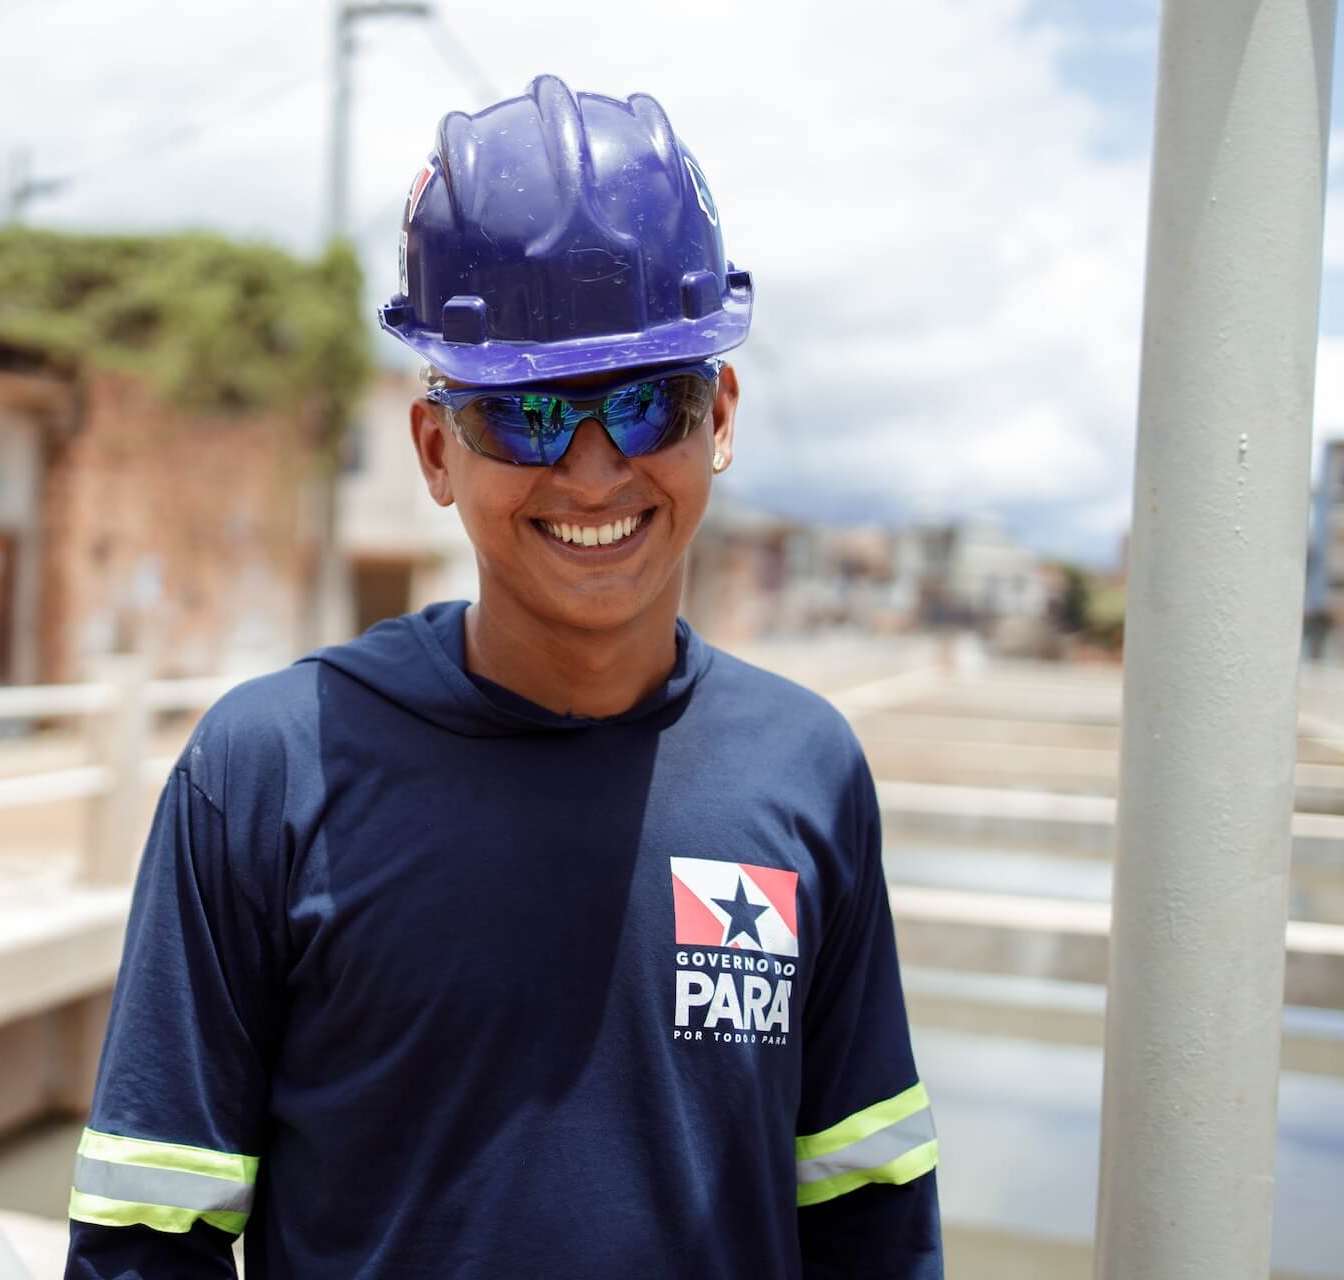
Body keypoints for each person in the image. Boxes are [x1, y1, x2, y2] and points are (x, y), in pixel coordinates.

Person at [64, 74, 942, 1279]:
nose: (591, 472)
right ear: (437, 448)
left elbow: (872, 1209)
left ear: (720, 415)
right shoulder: (266, 772)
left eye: (646, 404)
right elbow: (145, 1236)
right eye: (526, 415)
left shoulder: (804, 768)